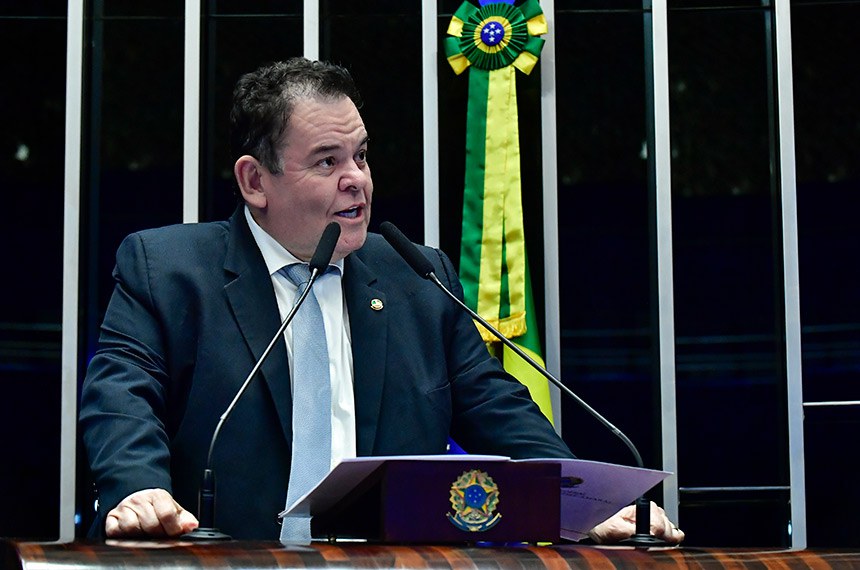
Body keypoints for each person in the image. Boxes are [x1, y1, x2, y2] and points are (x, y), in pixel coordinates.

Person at [79, 58, 683, 544]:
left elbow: (500, 410)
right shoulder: (169, 271)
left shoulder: (417, 279)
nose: (358, 179)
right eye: (328, 161)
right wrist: (137, 489)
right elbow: (121, 394)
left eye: (361, 156)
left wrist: (578, 501)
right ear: (255, 182)